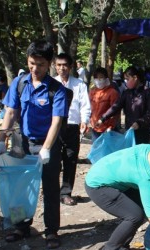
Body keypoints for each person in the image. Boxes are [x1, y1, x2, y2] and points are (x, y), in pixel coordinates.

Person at [0, 39, 68, 248]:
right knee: (20, 188)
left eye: (41, 64)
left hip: (47, 145)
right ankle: (21, 226)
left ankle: (51, 230)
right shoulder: (19, 84)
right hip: (22, 143)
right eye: (31, 63)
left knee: (51, 188)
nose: (35, 69)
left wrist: (46, 148)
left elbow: (57, 121)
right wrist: (2, 141)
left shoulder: (57, 90)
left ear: (50, 64)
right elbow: (10, 112)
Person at [54, 53, 91, 206]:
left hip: (72, 126)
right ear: (55, 66)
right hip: (54, 127)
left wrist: (85, 120)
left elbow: (85, 105)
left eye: (65, 65)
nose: (62, 68)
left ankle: (66, 192)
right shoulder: (51, 84)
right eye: (59, 65)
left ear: (70, 67)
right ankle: (52, 191)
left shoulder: (79, 85)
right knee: (53, 160)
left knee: (70, 159)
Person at [97, 66, 150, 144]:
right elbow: (116, 107)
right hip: (129, 130)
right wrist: (102, 118)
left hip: (143, 131)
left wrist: (139, 123)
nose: (126, 81)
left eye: (128, 79)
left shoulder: (148, 93)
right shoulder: (127, 93)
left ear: (135, 77)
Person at [89, 67, 120, 143]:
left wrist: (111, 126)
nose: (98, 80)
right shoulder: (92, 92)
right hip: (95, 128)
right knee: (96, 150)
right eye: (96, 78)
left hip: (107, 129)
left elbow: (115, 111)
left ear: (106, 78)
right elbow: (89, 109)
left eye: (101, 78)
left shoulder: (112, 92)